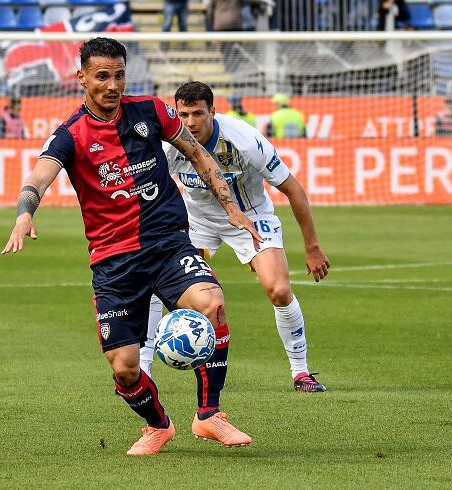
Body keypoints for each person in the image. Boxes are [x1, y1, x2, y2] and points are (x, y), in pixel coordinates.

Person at [1, 37, 261, 456]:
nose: (112, 84)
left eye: (119, 74)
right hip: (114, 262)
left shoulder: (152, 111)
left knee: (212, 303)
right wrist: (24, 213)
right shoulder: (70, 135)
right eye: (102, 76)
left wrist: (231, 208)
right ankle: (158, 426)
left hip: (167, 245)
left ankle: (210, 414)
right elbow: (37, 178)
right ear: (81, 77)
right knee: (124, 369)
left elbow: (197, 152)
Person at [140, 81, 329, 392]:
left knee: (279, 289)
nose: (190, 122)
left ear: (213, 111)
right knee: (157, 281)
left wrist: (312, 247)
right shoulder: (169, 142)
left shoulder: (243, 139)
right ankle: (144, 369)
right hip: (196, 220)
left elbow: (293, 189)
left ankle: (301, 372)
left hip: (250, 217)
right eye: (183, 114)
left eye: (198, 113)